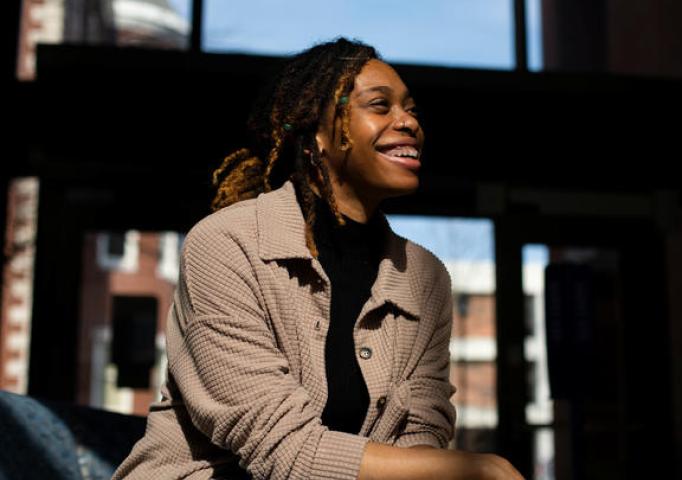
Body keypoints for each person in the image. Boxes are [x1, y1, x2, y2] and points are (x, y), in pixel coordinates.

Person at [112, 36, 524, 480]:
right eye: (380, 105)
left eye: (411, 109)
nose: (409, 122)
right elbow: (282, 450)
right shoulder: (226, 245)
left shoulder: (426, 278)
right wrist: (482, 469)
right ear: (318, 134)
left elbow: (420, 434)